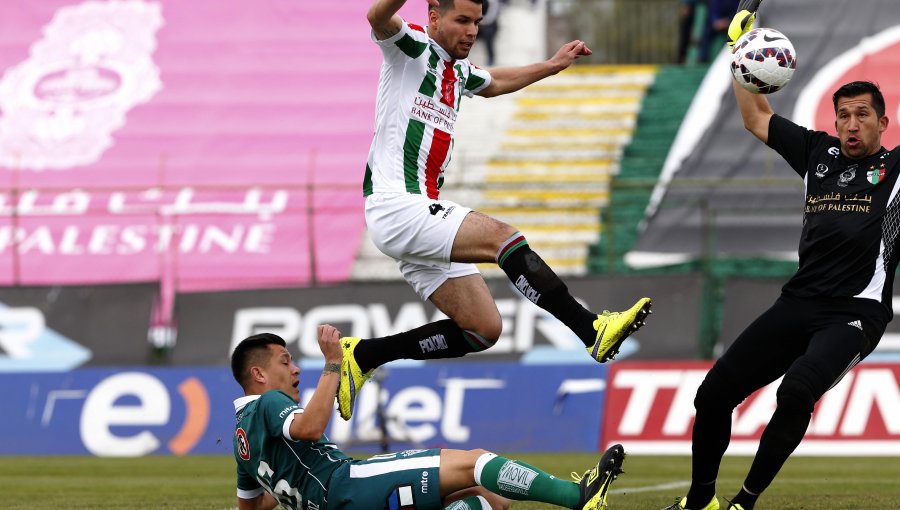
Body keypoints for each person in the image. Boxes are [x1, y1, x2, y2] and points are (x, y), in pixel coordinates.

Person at [344, 0, 652, 421]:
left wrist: (552, 65)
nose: (472, 31)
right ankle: (590, 328)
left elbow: (495, 82)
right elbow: (377, 18)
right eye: (462, 21)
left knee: (482, 329)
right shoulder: (410, 47)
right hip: (397, 205)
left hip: (419, 212)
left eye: (477, 22)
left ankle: (363, 356)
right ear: (434, 16)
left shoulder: (457, 70)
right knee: (502, 238)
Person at [664, 2, 897, 509]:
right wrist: (737, 53)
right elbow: (755, 116)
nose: (851, 124)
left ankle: (744, 502)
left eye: (862, 116)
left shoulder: (896, 169)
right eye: (843, 116)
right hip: (799, 303)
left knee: (795, 392)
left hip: (855, 313)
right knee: (712, 396)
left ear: (883, 121)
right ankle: (700, 500)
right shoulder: (819, 153)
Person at [230, 327, 626, 510]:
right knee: (476, 462)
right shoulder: (268, 403)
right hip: (347, 486)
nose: (296, 370)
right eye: (286, 361)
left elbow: (253, 507)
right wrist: (334, 363)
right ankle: (579, 497)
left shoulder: (240, 441)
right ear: (259, 375)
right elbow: (311, 427)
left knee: (491, 500)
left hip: (339, 500)